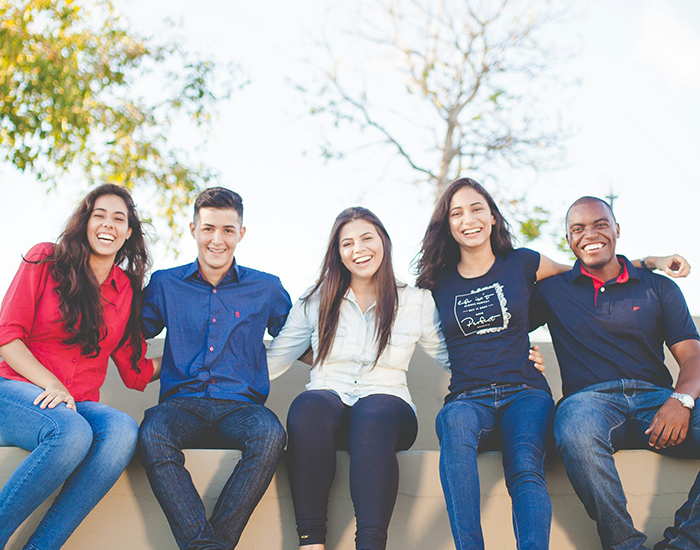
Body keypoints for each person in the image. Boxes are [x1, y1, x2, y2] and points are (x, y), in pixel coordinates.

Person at [414, 178, 681, 550]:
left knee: (524, 465)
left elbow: (586, 271)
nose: (468, 219)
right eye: (456, 213)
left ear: (492, 217)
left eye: (477, 208)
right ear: (447, 223)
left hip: (525, 392)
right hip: (466, 396)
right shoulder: (436, 282)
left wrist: (648, 262)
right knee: (452, 429)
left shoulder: (524, 262)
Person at [266, 206, 544, 550]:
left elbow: (457, 356)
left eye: (367, 238)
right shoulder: (316, 300)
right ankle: (311, 543)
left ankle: (370, 544)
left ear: (383, 241)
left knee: (373, 413)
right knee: (307, 405)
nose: (358, 249)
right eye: (347, 243)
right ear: (337, 253)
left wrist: (516, 357)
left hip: (388, 409)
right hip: (327, 405)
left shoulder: (415, 302)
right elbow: (275, 359)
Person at [531, 196, 700, 550]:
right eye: (577, 229)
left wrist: (681, 400)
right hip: (591, 404)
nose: (589, 234)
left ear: (617, 230)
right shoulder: (551, 291)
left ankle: (684, 543)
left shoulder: (658, 286)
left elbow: (693, 356)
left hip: (658, 401)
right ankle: (625, 544)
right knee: (574, 427)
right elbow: (503, 320)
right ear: (568, 240)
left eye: (600, 224)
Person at [0, 184, 157, 549]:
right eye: (99, 215)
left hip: (76, 403)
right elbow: (7, 336)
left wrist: (198, 356)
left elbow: (135, 372)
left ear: (129, 232)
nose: (108, 224)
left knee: (121, 431)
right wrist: (51, 384)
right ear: (85, 222)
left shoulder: (126, 290)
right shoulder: (45, 260)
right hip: (14, 391)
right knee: (72, 433)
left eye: (119, 219)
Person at [138, 187, 292, 550]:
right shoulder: (164, 283)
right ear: (193, 229)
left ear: (241, 233)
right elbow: (128, 334)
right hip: (182, 405)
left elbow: (300, 341)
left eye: (227, 229)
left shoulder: (266, 287)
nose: (217, 239)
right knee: (151, 433)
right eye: (208, 228)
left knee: (270, 435)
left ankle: (206, 546)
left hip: (242, 407)